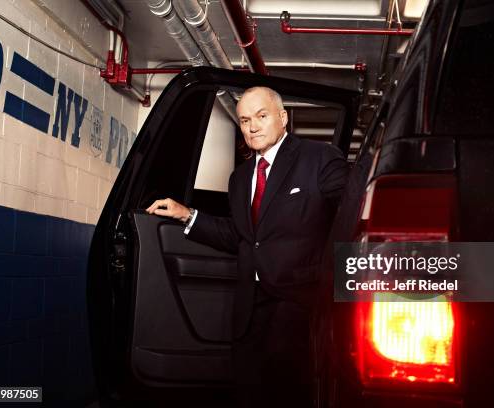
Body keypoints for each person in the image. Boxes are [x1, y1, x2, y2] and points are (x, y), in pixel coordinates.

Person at [146, 86, 348, 407]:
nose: (251, 126)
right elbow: (242, 236)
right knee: (249, 392)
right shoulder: (239, 178)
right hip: (249, 308)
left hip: (298, 305)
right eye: (244, 120)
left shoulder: (319, 158)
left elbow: (350, 214)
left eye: (261, 116)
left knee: (291, 395)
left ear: (282, 118)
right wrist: (187, 215)